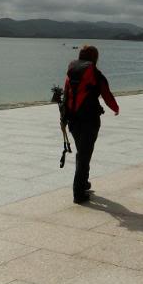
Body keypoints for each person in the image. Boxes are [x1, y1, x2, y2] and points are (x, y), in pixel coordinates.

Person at [61, 45, 119, 203]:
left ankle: (84, 183)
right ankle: (78, 193)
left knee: (82, 152)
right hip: (89, 120)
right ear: (95, 58)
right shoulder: (95, 73)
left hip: (72, 119)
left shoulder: (71, 72)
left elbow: (66, 93)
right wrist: (116, 108)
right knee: (84, 155)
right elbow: (106, 93)